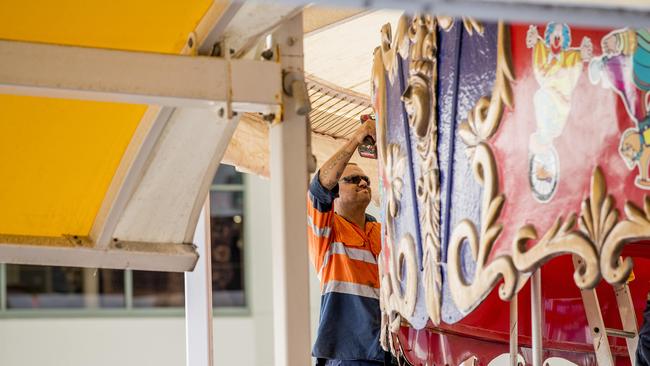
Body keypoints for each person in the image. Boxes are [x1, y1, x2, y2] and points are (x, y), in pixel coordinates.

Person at [307, 119, 389, 366]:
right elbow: (319, 186)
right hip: (348, 354)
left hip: (389, 352)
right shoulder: (327, 230)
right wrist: (357, 138)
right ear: (335, 192)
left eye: (366, 179)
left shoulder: (383, 231)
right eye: (353, 179)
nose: (363, 182)